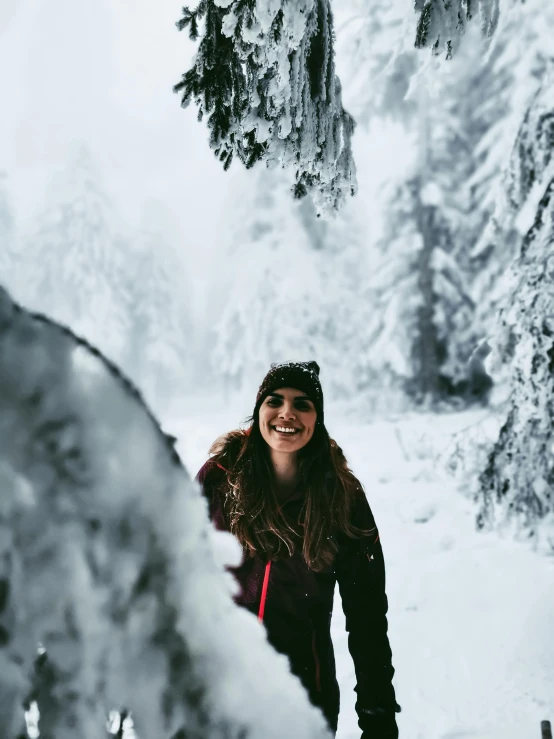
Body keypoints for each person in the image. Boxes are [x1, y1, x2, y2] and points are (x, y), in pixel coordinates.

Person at [196, 361, 400, 737]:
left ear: (317, 418)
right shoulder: (219, 478)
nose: (287, 413)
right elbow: (177, 573)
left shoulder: (343, 497)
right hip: (219, 691)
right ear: (259, 411)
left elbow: (367, 616)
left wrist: (378, 717)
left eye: (302, 404)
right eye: (275, 400)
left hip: (302, 698)